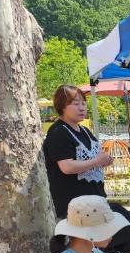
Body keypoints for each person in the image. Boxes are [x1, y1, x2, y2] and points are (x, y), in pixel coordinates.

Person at [42, 85, 113, 221]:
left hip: (95, 203)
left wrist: (105, 160)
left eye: (83, 103)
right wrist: (96, 161)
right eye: (75, 104)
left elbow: (95, 157)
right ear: (62, 106)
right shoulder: (58, 132)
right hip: (73, 209)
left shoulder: (85, 131)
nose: (82, 108)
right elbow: (67, 167)